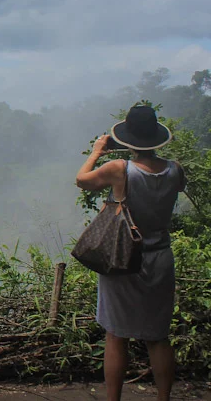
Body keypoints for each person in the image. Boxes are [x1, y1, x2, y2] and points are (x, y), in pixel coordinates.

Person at [76, 105, 185, 401]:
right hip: (160, 256)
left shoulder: (120, 169)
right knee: (157, 337)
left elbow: (82, 180)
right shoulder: (175, 169)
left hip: (123, 254)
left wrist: (98, 150)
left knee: (116, 333)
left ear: (128, 140)